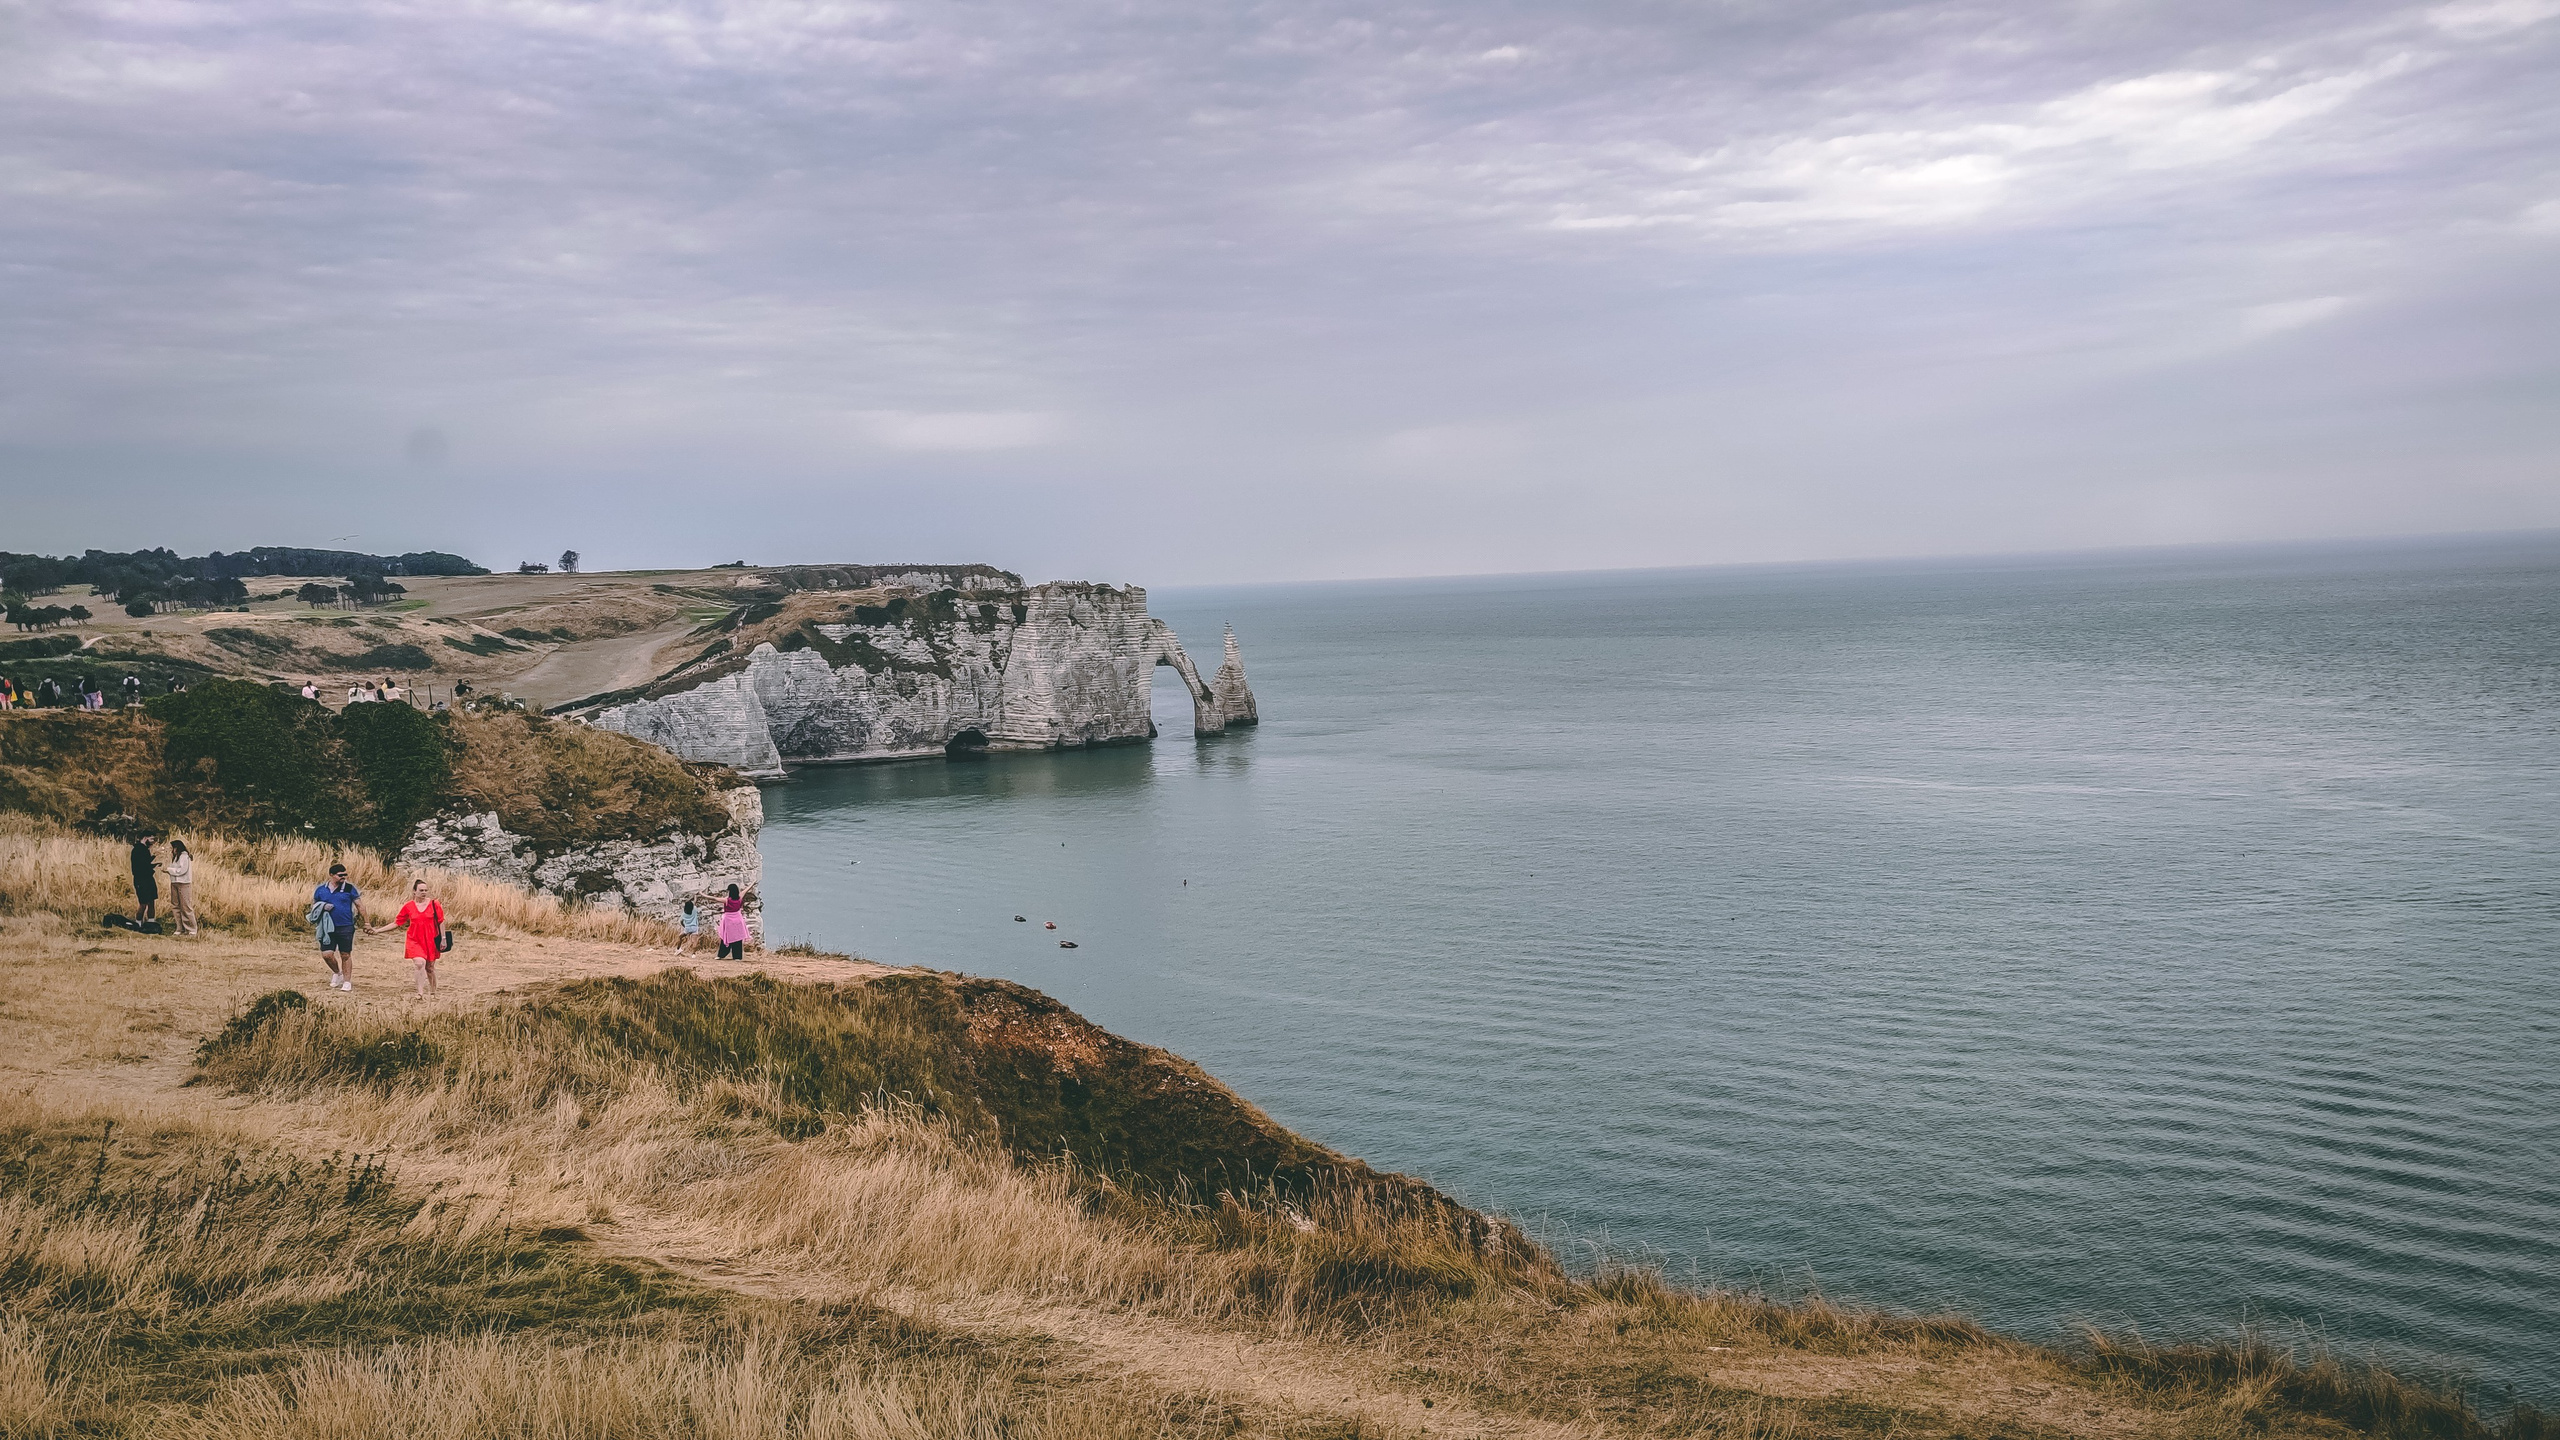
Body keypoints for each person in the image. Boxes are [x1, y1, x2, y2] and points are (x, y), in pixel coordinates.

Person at [370, 878, 448, 997]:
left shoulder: (434, 904)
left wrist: (443, 938)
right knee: (419, 963)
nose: (424, 892)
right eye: (421, 890)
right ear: (414, 891)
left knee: (430, 967)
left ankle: (433, 991)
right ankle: (420, 993)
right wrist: (378, 931)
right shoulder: (408, 906)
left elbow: (441, 921)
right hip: (414, 939)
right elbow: (397, 923)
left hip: (431, 939)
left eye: (426, 890)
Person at [312, 863, 362, 990]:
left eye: (345, 875)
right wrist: (322, 906)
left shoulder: (349, 888)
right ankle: (337, 973)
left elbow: (359, 905)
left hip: (345, 926)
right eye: (340, 875)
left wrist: (366, 922)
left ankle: (347, 981)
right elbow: (314, 906)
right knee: (327, 954)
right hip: (327, 926)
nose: (343, 877)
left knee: (345, 954)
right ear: (331, 875)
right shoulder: (321, 889)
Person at [166, 839, 198, 936]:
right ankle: (180, 928)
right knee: (175, 906)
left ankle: (191, 928)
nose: (171, 850)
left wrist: (169, 870)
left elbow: (182, 870)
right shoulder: (176, 857)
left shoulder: (185, 856)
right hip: (174, 883)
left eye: (173, 848)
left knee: (186, 906)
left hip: (184, 883)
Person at [128, 832, 159, 924]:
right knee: (144, 903)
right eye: (151, 839)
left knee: (151, 901)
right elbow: (142, 866)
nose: (153, 842)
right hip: (141, 879)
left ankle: (151, 922)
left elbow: (145, 862)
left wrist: (154, 858)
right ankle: (138, 923)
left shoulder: (143, 849)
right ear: (145, 838)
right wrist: (153, 866)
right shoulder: (138, 849)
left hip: (147, 878)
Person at [713, 884, 749, 960]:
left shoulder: (727, 900)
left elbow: (715, 898)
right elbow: (746, 890)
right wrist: (753, 882)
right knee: (738, 938)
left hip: (729, 920)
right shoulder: (739, 899)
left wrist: (702, 895)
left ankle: (721, 954)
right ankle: (737, 956)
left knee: (726, 937)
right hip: (738, 920)